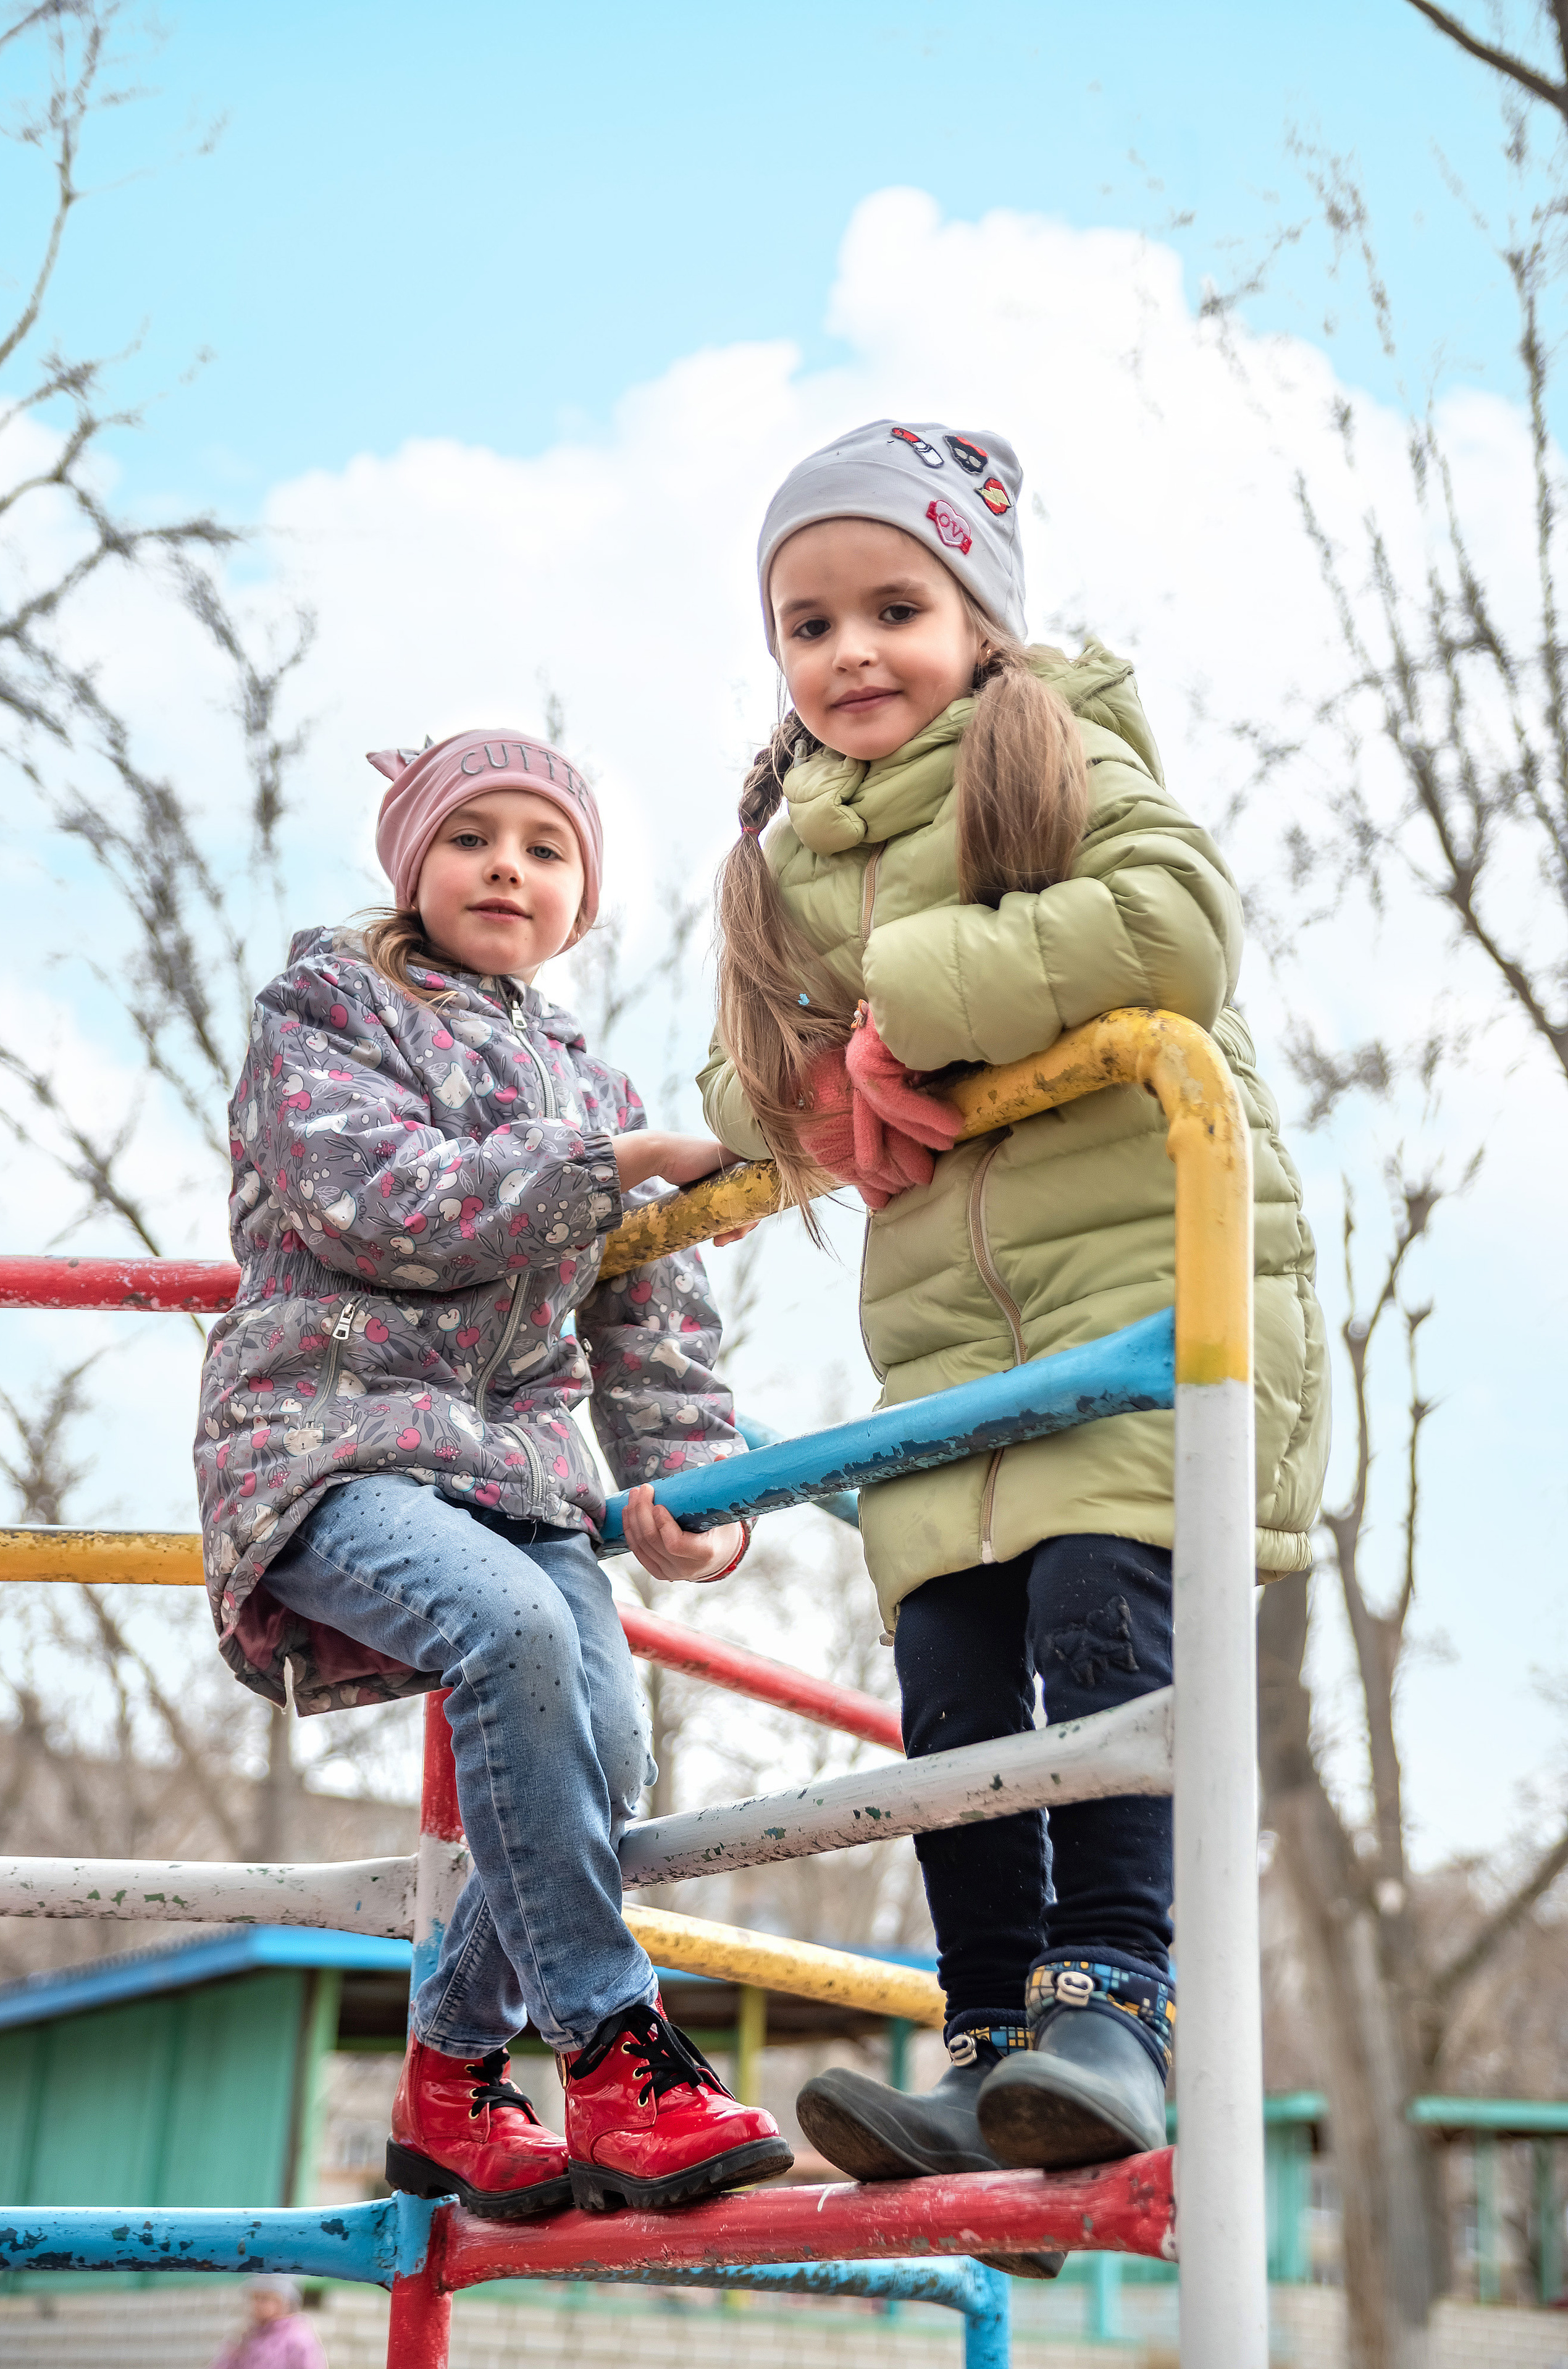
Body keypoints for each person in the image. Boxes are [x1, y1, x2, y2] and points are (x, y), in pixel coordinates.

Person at [700, 420, 1330, 2189]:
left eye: (894, 605)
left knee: (1092, 1621)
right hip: (956, 1357)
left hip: (1153, 1297)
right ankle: (989, 2035)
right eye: (807, 623)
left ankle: (1117, 2000)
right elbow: (761, 1075)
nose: (851, 653)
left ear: (979, 616)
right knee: (950, 1675)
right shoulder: (786, 857)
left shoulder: (1049, 760)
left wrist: (910, 1000)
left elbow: (1173, 928)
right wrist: (792, 1096)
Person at [196, 729, 791, 2220]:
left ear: (581, 897)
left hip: (522, 1482)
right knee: (509, 1631)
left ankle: (451, 2072)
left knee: (609, 1751)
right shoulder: (325, 1006)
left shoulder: (595, 1081)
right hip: (328, 1449)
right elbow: (374, 1199)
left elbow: (651, 1327)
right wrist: (607, 1167)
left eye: (544, 844)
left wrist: (698, 1509)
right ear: (413, 866)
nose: (506, 866)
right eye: (472, 837)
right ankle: (610, 2046)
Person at [209, 2277, 325, 2369]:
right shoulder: (246, 2336)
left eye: (265, 2299)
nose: (256, 2305)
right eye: (254, 2298)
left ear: (286, 2303)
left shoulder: (298, 2339)